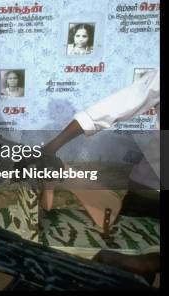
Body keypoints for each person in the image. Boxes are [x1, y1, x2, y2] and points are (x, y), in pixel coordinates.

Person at [42, 69, 160, 283]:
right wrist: (50, 148)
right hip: (147, 190)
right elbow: (112, 107)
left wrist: (145, 263)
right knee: (126, 274)